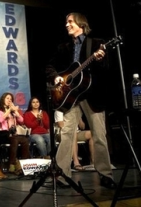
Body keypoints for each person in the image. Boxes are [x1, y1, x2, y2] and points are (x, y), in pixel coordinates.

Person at [46, 12, 116, 189]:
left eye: (70, 22)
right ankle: (61, 175)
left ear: (81, 25)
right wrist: (56, 78)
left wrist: (99, 59)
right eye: (66, 22)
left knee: (99, 135)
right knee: (67, 134)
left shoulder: (97, 43)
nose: (67, 25)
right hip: (70, 96)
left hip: (92, 95)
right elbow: (50, 66)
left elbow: (106, 68)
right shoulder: (63, 47)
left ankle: (105, 174)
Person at [0, 92, 30, 175]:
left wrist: (15, 112)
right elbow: (0, 119)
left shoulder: (13, 112)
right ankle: (12, 164)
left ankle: (23, 164)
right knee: (14, 140)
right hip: (4, 134)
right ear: (3, 99)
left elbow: (21, 121)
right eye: (7, 98)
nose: (9, 100)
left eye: (11, 99)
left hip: (14, 134)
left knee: (25, 140)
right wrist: (8, 110)